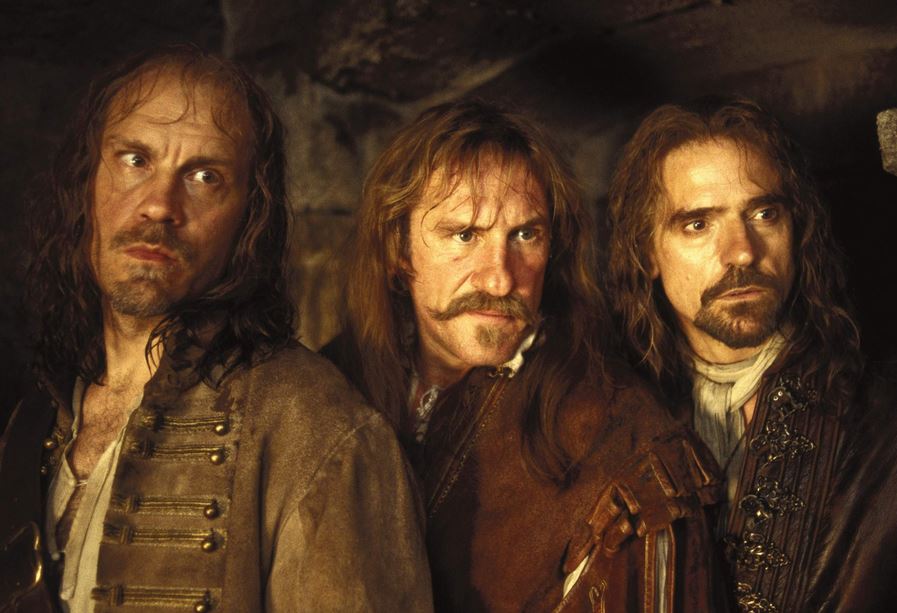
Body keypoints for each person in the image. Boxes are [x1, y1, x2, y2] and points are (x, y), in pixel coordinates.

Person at [0, 46, 432, 612]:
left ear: (250, 214)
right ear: (87, 182)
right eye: (135, 160)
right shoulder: (33, 421)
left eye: (205, 176)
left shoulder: (320, 427)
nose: (160, 206)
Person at [324, 100, 722, 612]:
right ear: (399, 250)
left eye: (525, 235)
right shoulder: (330, 387)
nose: (500, 278)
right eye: (464, 235)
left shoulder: (623, 438)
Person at [606, 97, 871, 612]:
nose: (742, 251)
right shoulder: (615, 416)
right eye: (698, 224)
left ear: (796, 231)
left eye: (764, 214)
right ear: (647, 253)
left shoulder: (873, 412)